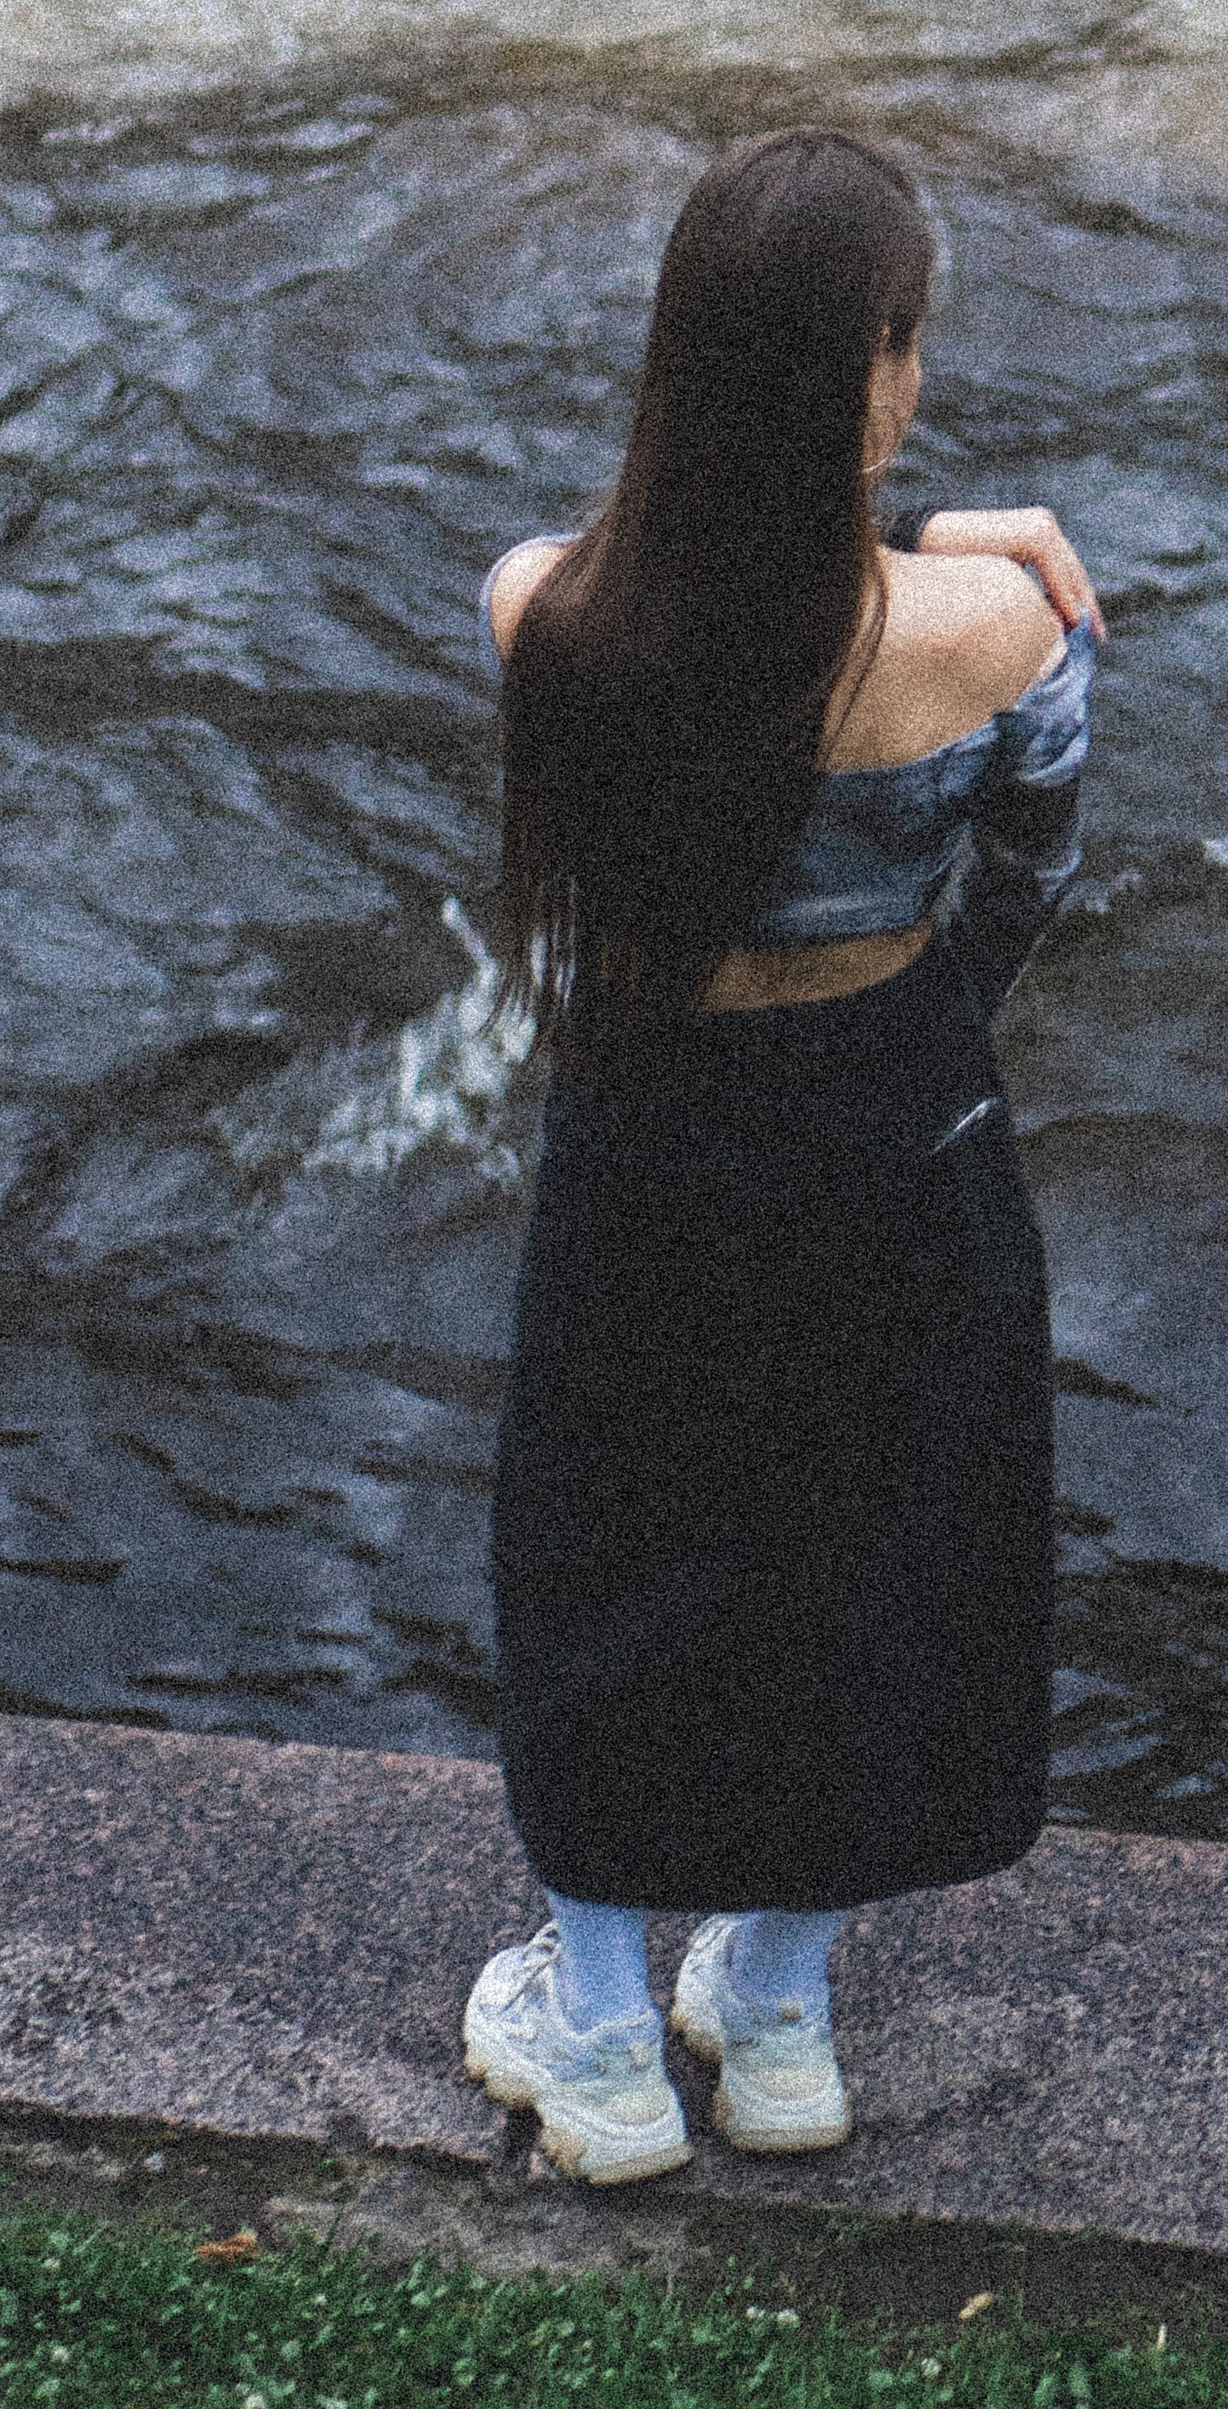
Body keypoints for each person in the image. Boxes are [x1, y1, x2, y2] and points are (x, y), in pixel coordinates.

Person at [465, 126, 1102, 2185]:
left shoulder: (541, 620)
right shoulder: (1004, 632)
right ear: (880, 369)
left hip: (655, 1134)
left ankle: (596, 2035)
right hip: (899, 1121)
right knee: (882, 1548)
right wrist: (948, 542)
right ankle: (781, 2013)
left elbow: (717, 630)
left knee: (605, 1546)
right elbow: (1027, 873)